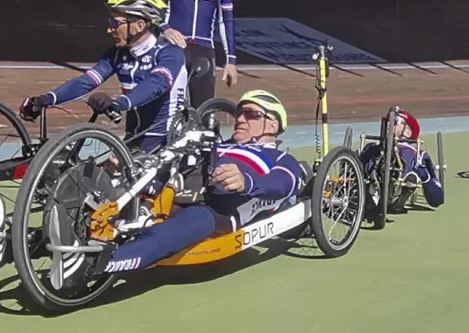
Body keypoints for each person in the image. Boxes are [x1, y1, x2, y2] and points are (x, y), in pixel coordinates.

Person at [53, 90, 304, 280]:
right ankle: (55, 227)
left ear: (273, 124)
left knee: (171, 233)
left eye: (251, 114)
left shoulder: (280, 158)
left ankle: (91, 266)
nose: (240, 118)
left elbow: (285, 183)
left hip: (215, 209)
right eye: (239, 113)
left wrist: (247, 181)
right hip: (173, 189)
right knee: (116, 179)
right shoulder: (218, 144)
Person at [18, 0, 187, 153]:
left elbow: (157, 83)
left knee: (115, 169)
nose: (109, 29)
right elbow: (87, 81)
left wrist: (119, 103)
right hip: (133, 136)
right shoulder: (118, 54)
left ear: (140, 25)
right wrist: (46, 99)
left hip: (164, 139)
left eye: (115, 23)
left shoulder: (170, 53)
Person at [359, 108, 444, 208]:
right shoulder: (374, 147)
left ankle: (401, 188)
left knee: (407, 155)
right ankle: (372, 187)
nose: (389, 125)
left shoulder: (417, 153)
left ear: (408, 132)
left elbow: (437, 200)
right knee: (371, 148)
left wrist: (425, 176)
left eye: (395, 122)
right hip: (376, 165)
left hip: (404, 171)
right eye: (388, 121)